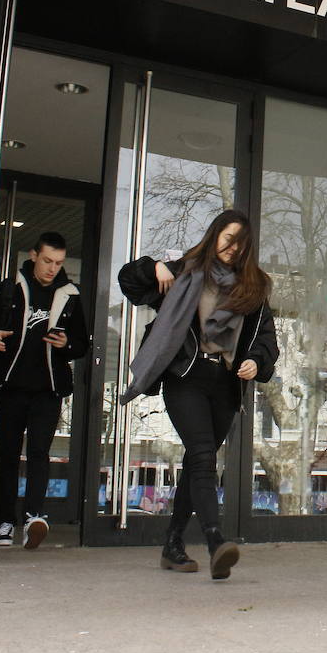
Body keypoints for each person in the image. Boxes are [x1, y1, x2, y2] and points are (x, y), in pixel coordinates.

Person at [119, 209, 279, 580]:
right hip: (185, 375)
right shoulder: (185, 272)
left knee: (197, 462)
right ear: (215, 235)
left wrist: (255, 361)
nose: (231, 247)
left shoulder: (253, 288)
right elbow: (128, 281)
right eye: (227, 237)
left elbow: (265, 339)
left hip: (224, 383)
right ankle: (214, 540)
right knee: (204, 456)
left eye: (240, 242)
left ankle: (173, 545)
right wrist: (154, 266)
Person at [0, 231, 90, 549]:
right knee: (8, 453)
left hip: (49, 388)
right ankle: (6, 522)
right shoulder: (9, 289)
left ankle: (33, 518)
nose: (51, 268)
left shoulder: (71, 294)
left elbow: (81, 343)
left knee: (39, 454)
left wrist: (66, 344)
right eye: (46, 260)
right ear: (33, 255)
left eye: (58, 263)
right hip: (12, 385)